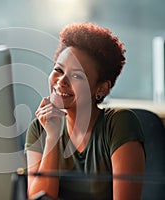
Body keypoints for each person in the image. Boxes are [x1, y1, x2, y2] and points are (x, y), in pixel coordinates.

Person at [25, 22, 145, 200]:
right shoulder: (40, 127)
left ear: (101, 89)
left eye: (77, 76)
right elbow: (39, 198)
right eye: (58, 70)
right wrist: (52, 138)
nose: (61, 81)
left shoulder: (119, 124)